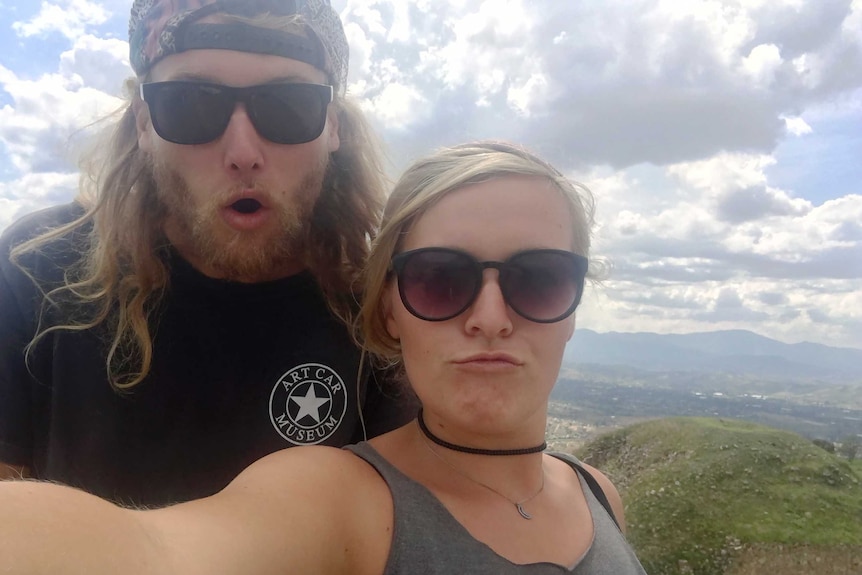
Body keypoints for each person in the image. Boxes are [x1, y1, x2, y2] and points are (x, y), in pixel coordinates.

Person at [0, 141, 647, 574]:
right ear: (391, 308)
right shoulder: (342, 496)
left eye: (540, 279)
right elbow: (150, 552)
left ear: (572, 305)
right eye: (439, 279)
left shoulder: (599, 493)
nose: (489, 316)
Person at [0, 0, 414, 506]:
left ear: (332, 126)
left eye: (287, 106)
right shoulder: (38, 271)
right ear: (144, 124)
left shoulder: (379, 308)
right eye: (191, 104)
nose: (243, 152)